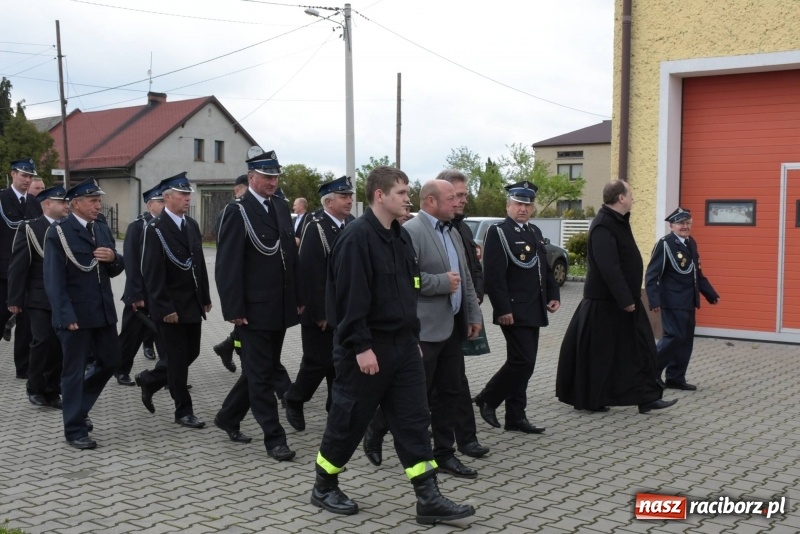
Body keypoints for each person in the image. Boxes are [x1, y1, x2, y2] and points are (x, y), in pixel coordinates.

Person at [310, 166, 474, 525]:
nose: (407, 199)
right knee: (349, 420)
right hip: (366, 349)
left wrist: (412, 338)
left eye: (408, 192)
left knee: (414, 421)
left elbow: (409, 290)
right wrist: (361, 347)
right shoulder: (356, 239)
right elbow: (349, 300)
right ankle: (324, 485)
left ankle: (428, 497)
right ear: (380, 196)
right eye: (401, 192)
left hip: (403, 347)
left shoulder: (400, 237)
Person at [556, 180, 678, 414]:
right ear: (620, 198)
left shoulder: (618, 221)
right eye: (630, 194)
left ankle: (647, 397)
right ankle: (593, 399)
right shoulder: (603, 224)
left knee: (642, 349)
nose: (633, 198)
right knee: (601, 355)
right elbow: (608, 267)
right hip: (607, 303)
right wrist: (626, 300)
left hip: (624, 301)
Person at [215, 150, 302, 456]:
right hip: (252, 310)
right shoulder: (237, 211)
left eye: (275, 177)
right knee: (262, 376)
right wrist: (234, 309)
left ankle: (227, 416)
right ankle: (275, 438)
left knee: (257, 370)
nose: (272, 182)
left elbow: (289, 258)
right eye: (266, 177)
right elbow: (227, 265)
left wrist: (297, 299)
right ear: (251, 177)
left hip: (278, 306)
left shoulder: (278, 205)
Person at [403, 179, 483, 477]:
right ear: (431, 202)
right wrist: (440, 284)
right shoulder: (411, 232)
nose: (458, 202)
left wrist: (473, 316)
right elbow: (406, 279)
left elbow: (466, 278)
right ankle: (381, 429)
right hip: (424, 330)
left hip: (452, 326)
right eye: (451, 198)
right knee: (417, 395)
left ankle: (445, 453)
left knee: (449, 392)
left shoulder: (453, 231)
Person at [43, 177, 124, 449]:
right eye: (93, 201)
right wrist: (65, 316)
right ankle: (75, 429)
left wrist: (114, 258)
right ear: (75, 203)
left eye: (99, 200)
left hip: (102, 312)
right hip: (75, 316)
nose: (98, 205)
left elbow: (114, 268)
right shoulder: (59, 232)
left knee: (112, 360)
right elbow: (54, 280)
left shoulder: (100, 229)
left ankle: (78, 406)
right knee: (73, 372)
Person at [474, 181, 560, 434]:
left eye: (527, 204)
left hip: (534, 307)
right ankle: (487, 398)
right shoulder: (498, 232)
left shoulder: (532, 231)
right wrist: (502, 309)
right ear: (508, 205)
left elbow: (544, 267)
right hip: (512, 308)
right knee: (522, 362)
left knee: (526, 363)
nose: (523, 209)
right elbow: (494, 276)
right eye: (518, 204)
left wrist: (553, 294)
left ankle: (516, 415)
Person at [139, 173, 212, 429]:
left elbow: (199, 263)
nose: (187, 198)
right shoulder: (156, 228)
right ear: (167, 198)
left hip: (191, 303)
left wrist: (205, 296)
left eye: (188, 194)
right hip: (170, 306)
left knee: (191, 352)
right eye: (182, 194)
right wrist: (164, 307)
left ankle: (150, 379)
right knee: (178, 359)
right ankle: (183, 410)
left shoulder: (190, 224)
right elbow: (152, 272)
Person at [284, 176, 353, 431]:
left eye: (350, 196)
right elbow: (311, 274)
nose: (349, 201)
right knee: (317, 363)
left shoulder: (349, 224)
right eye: (344, 197)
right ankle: (294, 398)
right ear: (328, 201)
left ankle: (335, 412)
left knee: (340, 364)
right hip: (320, 311)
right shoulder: (317, 226)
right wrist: (320, 312)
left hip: (344, 308)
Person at [434, 169, 488, 458]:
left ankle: (466, 439)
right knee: (424, 383)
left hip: (458, 315)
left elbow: (473, 269)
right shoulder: (420, 229)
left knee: (456, 381)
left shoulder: (461, 229)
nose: (462, 200)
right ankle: (379, 426)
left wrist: (475, 300)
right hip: (430, 321)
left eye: (464, 195)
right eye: (457, 195)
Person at [7, 185, 69, 409]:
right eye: (61, 202)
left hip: (64, 297)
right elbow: (18, 266)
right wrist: (14, 299)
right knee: (42, 341)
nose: (66, 206)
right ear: (46, 204)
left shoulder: (69, 227)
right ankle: (34, 387)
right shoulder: (31, 228)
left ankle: (53, 390)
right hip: (39, 296)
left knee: (59, 345)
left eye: (66, 202)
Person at [645, 207, 719, 391]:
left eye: (687, 223)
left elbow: (697, 274)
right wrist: (653, 300)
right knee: (673, 337)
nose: (684, 226)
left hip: (688, 300)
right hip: (671, 300)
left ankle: (676, 377)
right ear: (671, 226)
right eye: (680, 223)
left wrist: (711, 294)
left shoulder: (691, 243)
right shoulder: (665, 244)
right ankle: (650, 372)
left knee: (685, 340)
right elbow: (652, 274)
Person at [115, 183, 166, 386]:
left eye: (165, 200)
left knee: (165, 336)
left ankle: (167, 374)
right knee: (131, 335)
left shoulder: (168, 224)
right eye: (160, 201)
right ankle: (120, 369)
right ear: (149, 205)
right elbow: (132, 262)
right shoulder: (138, 226)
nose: (164, 205)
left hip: (162, 292)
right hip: (141, 292)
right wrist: (135, 294)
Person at [0, 158, 43, 379]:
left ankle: (23, 368)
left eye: (30, 176)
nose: (27, 180)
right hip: (3, 270)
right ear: (13, 174)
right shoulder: (1, 198)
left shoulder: (35, 204)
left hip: (28, 272)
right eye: (24, 175)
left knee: (27, 323)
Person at [212, 174, 249, 374]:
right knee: (243, 331)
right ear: (238, 190)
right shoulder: (231, 212)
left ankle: (227, 347)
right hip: (239, 283)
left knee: (242, 332)